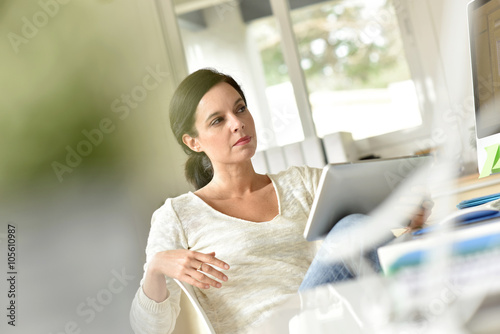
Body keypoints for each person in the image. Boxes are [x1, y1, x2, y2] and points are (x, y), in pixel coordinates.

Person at [129, 68, 431, 334]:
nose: (237, 123)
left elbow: (364, 256)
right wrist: (155, 268)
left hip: (330, 323)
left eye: (241, 109)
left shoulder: (302, 183)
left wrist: (402, 220)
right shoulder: (177, 216)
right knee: (353, 228)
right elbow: (148, 330)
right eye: (218, 120)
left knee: (359, 230)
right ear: (193, 142)